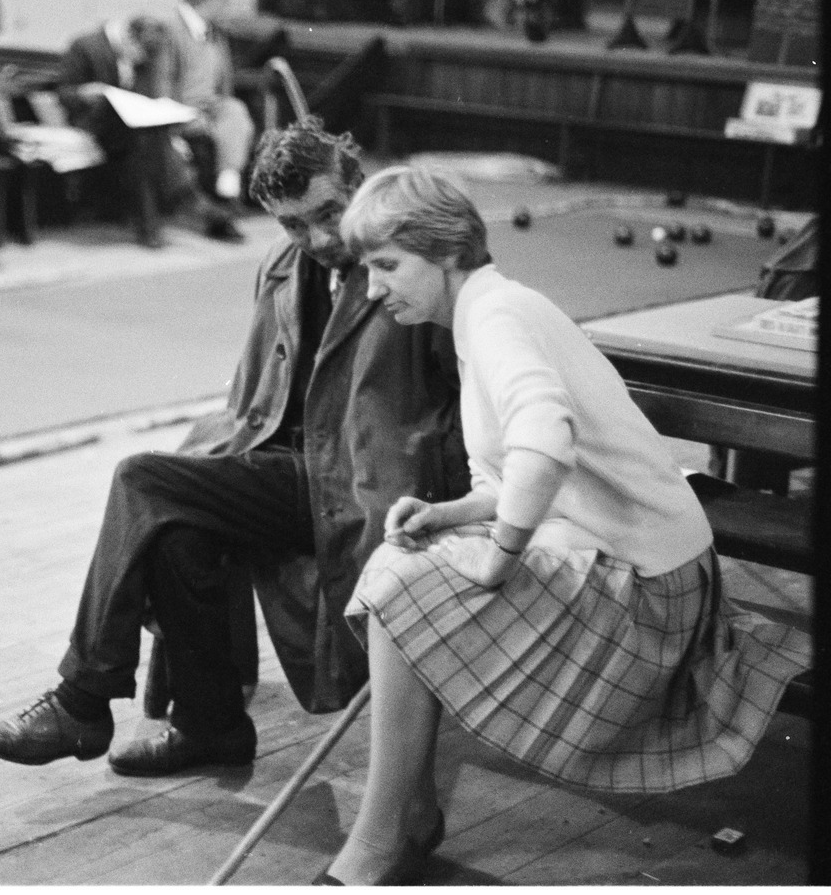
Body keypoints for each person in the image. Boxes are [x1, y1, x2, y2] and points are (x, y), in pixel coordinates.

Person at [323, 166, 811, 885]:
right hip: (622, 557)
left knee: (400, 584)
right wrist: (450, 514)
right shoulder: (485, 312)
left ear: (446, 251)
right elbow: (516, 474)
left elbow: (545, 442)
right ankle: (408, 812)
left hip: (653, 588)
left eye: (387, 265)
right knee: (405, 564)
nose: (372, 288)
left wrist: (496, 557)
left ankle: (382, 836)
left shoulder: (496, 317)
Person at [0, 117, 466, 777]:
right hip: (290, 467)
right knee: (175, 529)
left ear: (357, 180)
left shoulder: (413, 264)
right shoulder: (285, 266)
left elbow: (463, 399)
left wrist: (449, 499)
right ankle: (211, 728)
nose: (315, 238)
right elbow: (254, 395)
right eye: (292, 223)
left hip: (365, 484)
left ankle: (82, 696)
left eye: (328, 214)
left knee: (144, 479)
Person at [57, 15, 239, 249]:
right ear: (128, 37)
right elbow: (64, 94)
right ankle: (191, 204)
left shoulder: (139, 55)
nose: (141, 60)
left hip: (132, 129)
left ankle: (152, 225)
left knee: (146, 141)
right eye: (139, 52)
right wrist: (87, 94)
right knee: (148, 140)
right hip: (94, 124)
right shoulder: (85, 46)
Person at [156, 0, 254, 223]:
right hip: (181, 111)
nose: (227, 4)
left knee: (235, 111)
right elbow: (162, 83)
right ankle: (213, 206)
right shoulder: (171, 31)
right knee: (211, 127)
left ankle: (228, 182)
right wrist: (171, 120)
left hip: (211, 108)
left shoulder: (215, 34)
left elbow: (224, 85)